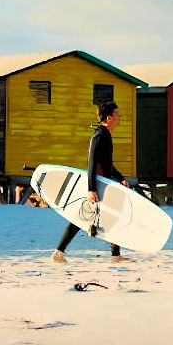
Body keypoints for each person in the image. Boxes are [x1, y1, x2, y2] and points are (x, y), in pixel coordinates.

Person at [52, 102, 130, 263]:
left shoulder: (105, 134)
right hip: (98, 184)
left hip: (103, 182)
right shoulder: (100, 135)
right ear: (109, 118)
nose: (119, 118)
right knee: (84, 217)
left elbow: (108, 164)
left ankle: (115, 255)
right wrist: (91, 189)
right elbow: (92, 163)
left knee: (95, 217)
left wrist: (121, 177)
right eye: (116, 114)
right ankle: (59, 253)